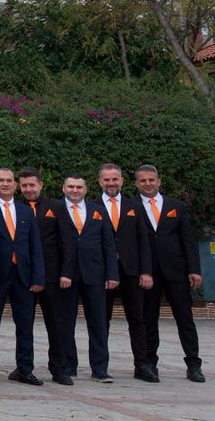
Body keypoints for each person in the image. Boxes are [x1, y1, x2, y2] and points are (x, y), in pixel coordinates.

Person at [134, 164, 204, 382]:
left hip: (177, 272)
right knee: (149, 319)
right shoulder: (131, 207)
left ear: (159, 181)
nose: (148, 183)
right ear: (136, 183)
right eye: (143, 180)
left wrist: (194, 269)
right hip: (148, 273)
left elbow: (188, 240)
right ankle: (149, 364)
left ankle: (193, 364)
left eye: (151, 180)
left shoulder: (176, 206)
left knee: (185, 319)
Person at [0, 166, 44, 386]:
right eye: (1, 180)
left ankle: (25, 369)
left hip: (23, 276)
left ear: (15, 185)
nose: (5, 184)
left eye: (9, 180)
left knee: (25, 324)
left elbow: (35, 245)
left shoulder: (26, 211)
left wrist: (38, 277)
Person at [56, 174, 117, 383]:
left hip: (95, 274)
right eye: (71, 186)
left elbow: (108, 244)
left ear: (86, 189)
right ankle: (68, 366)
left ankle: (100, 368)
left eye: (79, 187)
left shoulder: (98, 210)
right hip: (66, 275)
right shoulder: (56, 209)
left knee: (98, 322)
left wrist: (112, 273)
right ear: (63, 188)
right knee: (66, 322)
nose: (75, 190)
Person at [98, 163, 155, 381]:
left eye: (115, 179)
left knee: (137, 319)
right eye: (107, 179)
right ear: (100, 182)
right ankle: (100, 366)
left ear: (121, 181)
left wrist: (146, 271)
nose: (111, 183)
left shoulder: (135, 206)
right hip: (103, 273)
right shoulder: (92, 206)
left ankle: (142, 365)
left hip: (132, 271)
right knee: (101, 320)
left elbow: (144, 242)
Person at [18, 167, 69, 384]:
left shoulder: (56, 207)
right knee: (24, 324)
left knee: (56, 324)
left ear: (41, 184)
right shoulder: (15, 207)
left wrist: (66, 272)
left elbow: (66, 242)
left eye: (32, 184)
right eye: (24, 185)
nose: (28, 189)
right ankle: (23, 367)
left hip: (52, 276)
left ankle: (59, 369)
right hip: (23, 275)